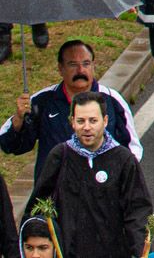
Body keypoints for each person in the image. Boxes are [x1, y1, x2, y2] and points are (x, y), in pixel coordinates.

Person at [25, 89, 151, 258]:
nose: (87, 127)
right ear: (72, 122)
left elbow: (138, 210)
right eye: (81, 121)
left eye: (93, 121)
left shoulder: (123, 159)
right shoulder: (60, 156)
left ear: (105, 121)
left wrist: (140, 251)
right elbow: (37, 207)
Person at [0, 39, 139, 175]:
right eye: (73, 64)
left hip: (101, 189)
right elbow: (12, 146)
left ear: (93, 66)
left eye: (86, 64)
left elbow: (132, 149)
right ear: (60, 68)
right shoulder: (42, 101)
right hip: (54, 192)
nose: (80, 70)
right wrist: (18, 119)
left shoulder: (112, 100)